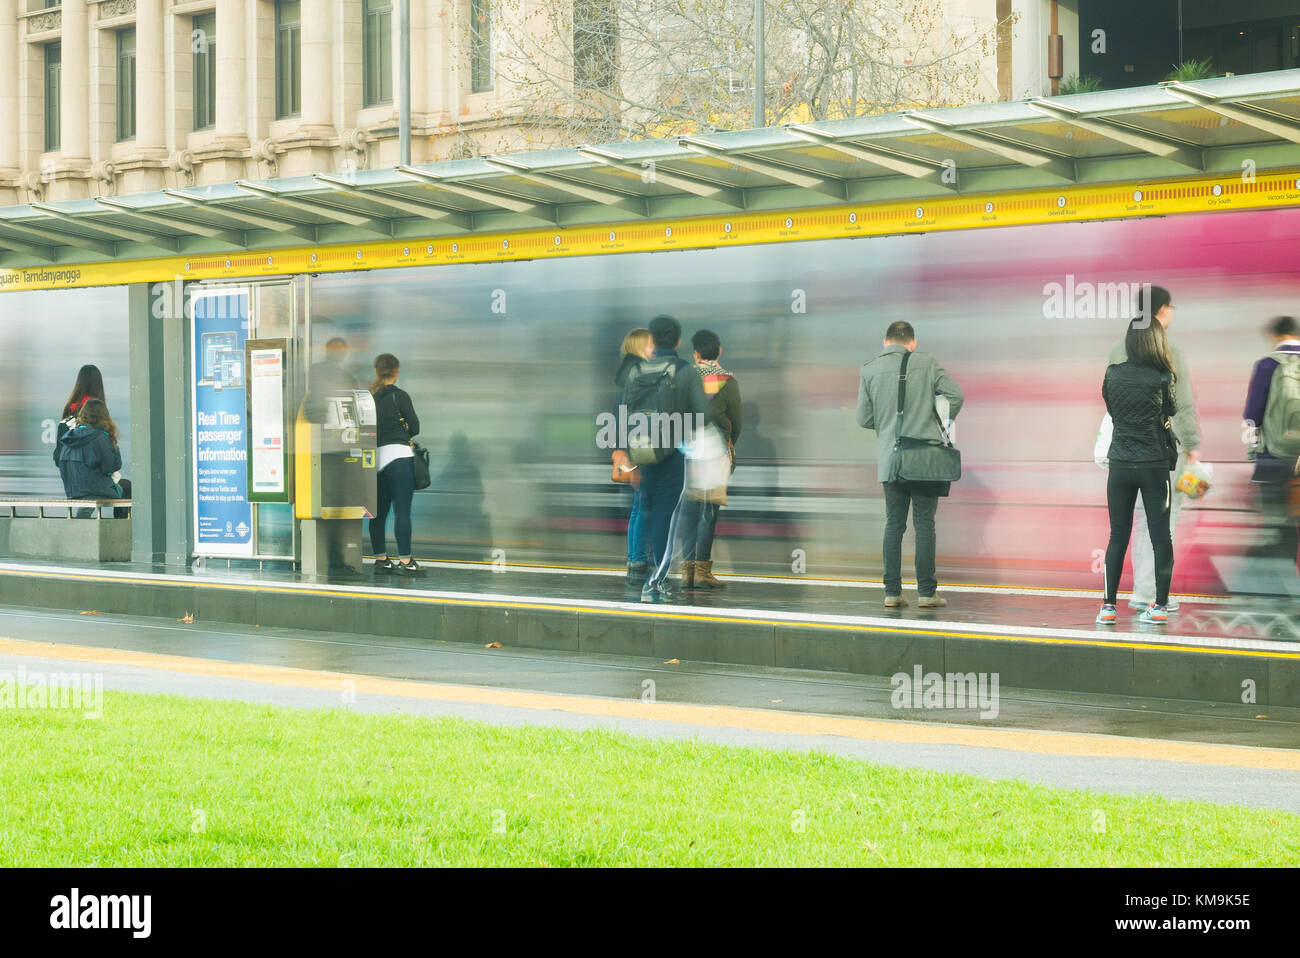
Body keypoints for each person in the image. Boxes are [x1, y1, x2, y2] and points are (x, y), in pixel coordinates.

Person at [856, 321, 964, 608]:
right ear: (912, 343)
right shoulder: (926, 363)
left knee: (894, 525)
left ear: (885, 341)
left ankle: (892, 593)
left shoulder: (869, 369)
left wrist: (888, 421)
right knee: (924, 524)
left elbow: (863, 419)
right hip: (924, 458)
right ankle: (927, 593)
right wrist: (935, 421)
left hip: (891, 460)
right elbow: (955, 395)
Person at [1106, 285, 1199, 613]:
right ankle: (1151, 594)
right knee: (1161, 523)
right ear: (1161, 309)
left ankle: (1127, 596)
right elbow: (1181, 405)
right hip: (1159, 454)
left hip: (1123, 454)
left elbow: (1112, 400)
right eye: (1171, 307)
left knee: (1125, 528)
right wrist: (1192, 446)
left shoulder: (1119, 348)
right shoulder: (1168, 348)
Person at [1098, 315, 1180, 625]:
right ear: (1156, 342)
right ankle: (1159, 606)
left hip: (1119, 464)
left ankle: (1108, 607)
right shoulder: (1162, 376)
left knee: (1117, 535)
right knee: (1161, 536)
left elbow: (1111, 408)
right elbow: (1169, 409)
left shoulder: (1113, 374)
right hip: (1154, 465)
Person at [623, 315, 709, 603]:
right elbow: (703, 416)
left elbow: (624, 414)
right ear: (679, 341)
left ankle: (644, 569)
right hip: (672, 454)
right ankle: (655, 581)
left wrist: (630, 458)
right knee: (665, 517)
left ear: (652, 341)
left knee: (647, 511)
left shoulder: (635, 371)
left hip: (641, 453)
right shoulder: (684, 372)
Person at [680, 329, 742, 590]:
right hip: (716, 453)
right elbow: (736, 421)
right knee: (709, 511)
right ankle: (703, 570)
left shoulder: (684, 379)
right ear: (719, 351)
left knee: (689, 510)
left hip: (689, 452)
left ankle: (687, 572)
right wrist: (728, 443)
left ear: (695, 354)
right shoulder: (727, 381)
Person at [1243, 315, 1300, 576]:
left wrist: (1253, 451)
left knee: (1278, 522)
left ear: (1274, 336)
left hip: (1273, 457)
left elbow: (1252, 415)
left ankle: (1282, 585)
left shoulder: (1267, 365)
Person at [369, 353, 422, 574]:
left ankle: (381, 559)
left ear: (376, 372)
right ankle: (406, 561)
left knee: (378, 513)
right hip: (400, 458)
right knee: (402, 512)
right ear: (396, 372)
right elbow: (415, 427)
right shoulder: (400, 396)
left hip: (377, 460)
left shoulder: (370, 398)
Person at [614, 328, 654, 587]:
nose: (653, 349)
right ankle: (639, 561)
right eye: (650, 345)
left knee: (639, 507)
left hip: (634, 445)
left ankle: (635, 560)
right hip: (641, 445)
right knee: (645, 506)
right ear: (640, 346)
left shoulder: (628, 373)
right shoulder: (638, 374)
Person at [55, 399, 131, 516]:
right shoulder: (99, 437)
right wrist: (114, 445)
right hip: (94, 490)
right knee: (127, 487)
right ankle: (121, 528)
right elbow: (112, 466)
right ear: (104, 415)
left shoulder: (68, 436)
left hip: (72, 490)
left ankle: (82, 521)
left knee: (118, 487)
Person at [55, 365, 107, 466]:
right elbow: (108, 459)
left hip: (71, 478)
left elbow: (58, 456)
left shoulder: (69, 411)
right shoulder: (99, 413)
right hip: (95, 478)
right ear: (98, 385)